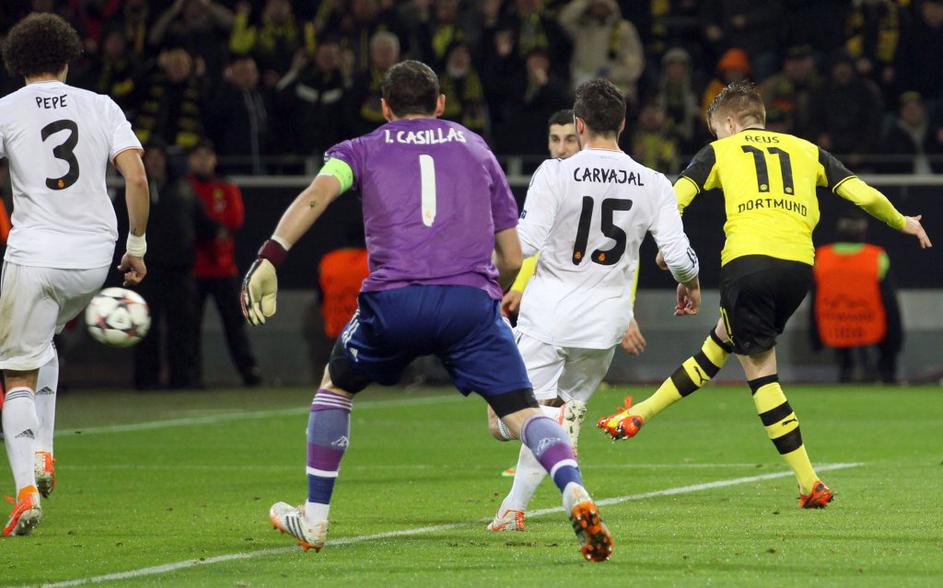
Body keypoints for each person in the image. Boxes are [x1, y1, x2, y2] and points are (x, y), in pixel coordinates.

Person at [241, 60, 613, 561]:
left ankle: (315, 516)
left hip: (392, 302)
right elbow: (511, 257)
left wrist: (270, 256)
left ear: (384, 108)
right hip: (468, 302)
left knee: (336, 388)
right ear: (440, 104)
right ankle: (574, 490)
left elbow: (316, 195)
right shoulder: (477, 149)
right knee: (525, 411)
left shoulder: (362, 148)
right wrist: (486, 297)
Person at [599, 81, 932, 509]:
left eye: (716, 129)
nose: (717, 136)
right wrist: (903, 221)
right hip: (798, 270)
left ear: (730, 123)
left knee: (760, 373)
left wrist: (669, 248)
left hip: (748, 264)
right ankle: (638, 414)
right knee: (721, 343)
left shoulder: (720, 151)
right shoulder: (806, 150)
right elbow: (861, 193)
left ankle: (809, 482)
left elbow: (674, 196)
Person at [487, 81, 698, 532]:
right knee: (553, 416)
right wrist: (691, 285)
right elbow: (679, 257)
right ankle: (512, 510)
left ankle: (552, 423)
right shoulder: (653, 182)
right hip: (605, 326)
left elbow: (524, 244)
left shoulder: (555, 173)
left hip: (548, 317)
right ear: (623, 123)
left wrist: (477, 269)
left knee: (505, 419)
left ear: (579, 125)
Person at [0, 13, 149, 535]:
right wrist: (136, 247)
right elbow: (136, 177)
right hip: (93, 259)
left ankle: (25, 493)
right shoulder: (101, 105)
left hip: (35, 256)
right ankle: (44, 452)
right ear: (67, 58)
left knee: (16, 373)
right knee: (43, 342)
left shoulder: (6, 109)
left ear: (17, 63)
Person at [131, 140, 214, 390]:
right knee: (145, 326)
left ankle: (184, 379)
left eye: (159, 156)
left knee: (182, 326)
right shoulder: (136, 189)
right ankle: (147, 380)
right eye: (150, 157)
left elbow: (201, 222)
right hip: (148, 269)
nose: (155, 162)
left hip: (179, 269)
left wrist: (214, 232)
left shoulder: (183, 189)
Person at [188, 141, 261, 387]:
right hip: (194, 268)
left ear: (214, 159)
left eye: (207, 156)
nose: (203, 161)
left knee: (234, 323)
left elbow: (234, 220)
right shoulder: (186, 187)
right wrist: (211, 228)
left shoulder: (226, 187)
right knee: (190, 326)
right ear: (190, 160)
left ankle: (249, 370)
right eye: (198, 156)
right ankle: (191, 376)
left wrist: (206, 228)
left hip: (223, 268)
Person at [811, 212, 902, 383]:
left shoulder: (822, 256)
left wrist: (814, 335)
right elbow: (889, 299)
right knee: (885, 349)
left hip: (836, 321)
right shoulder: (876, 255)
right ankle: (885, 375)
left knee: (845, 358)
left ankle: (846, 372)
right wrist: (895, 336)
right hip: (869, 319)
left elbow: (815, 298)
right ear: (863, 233)